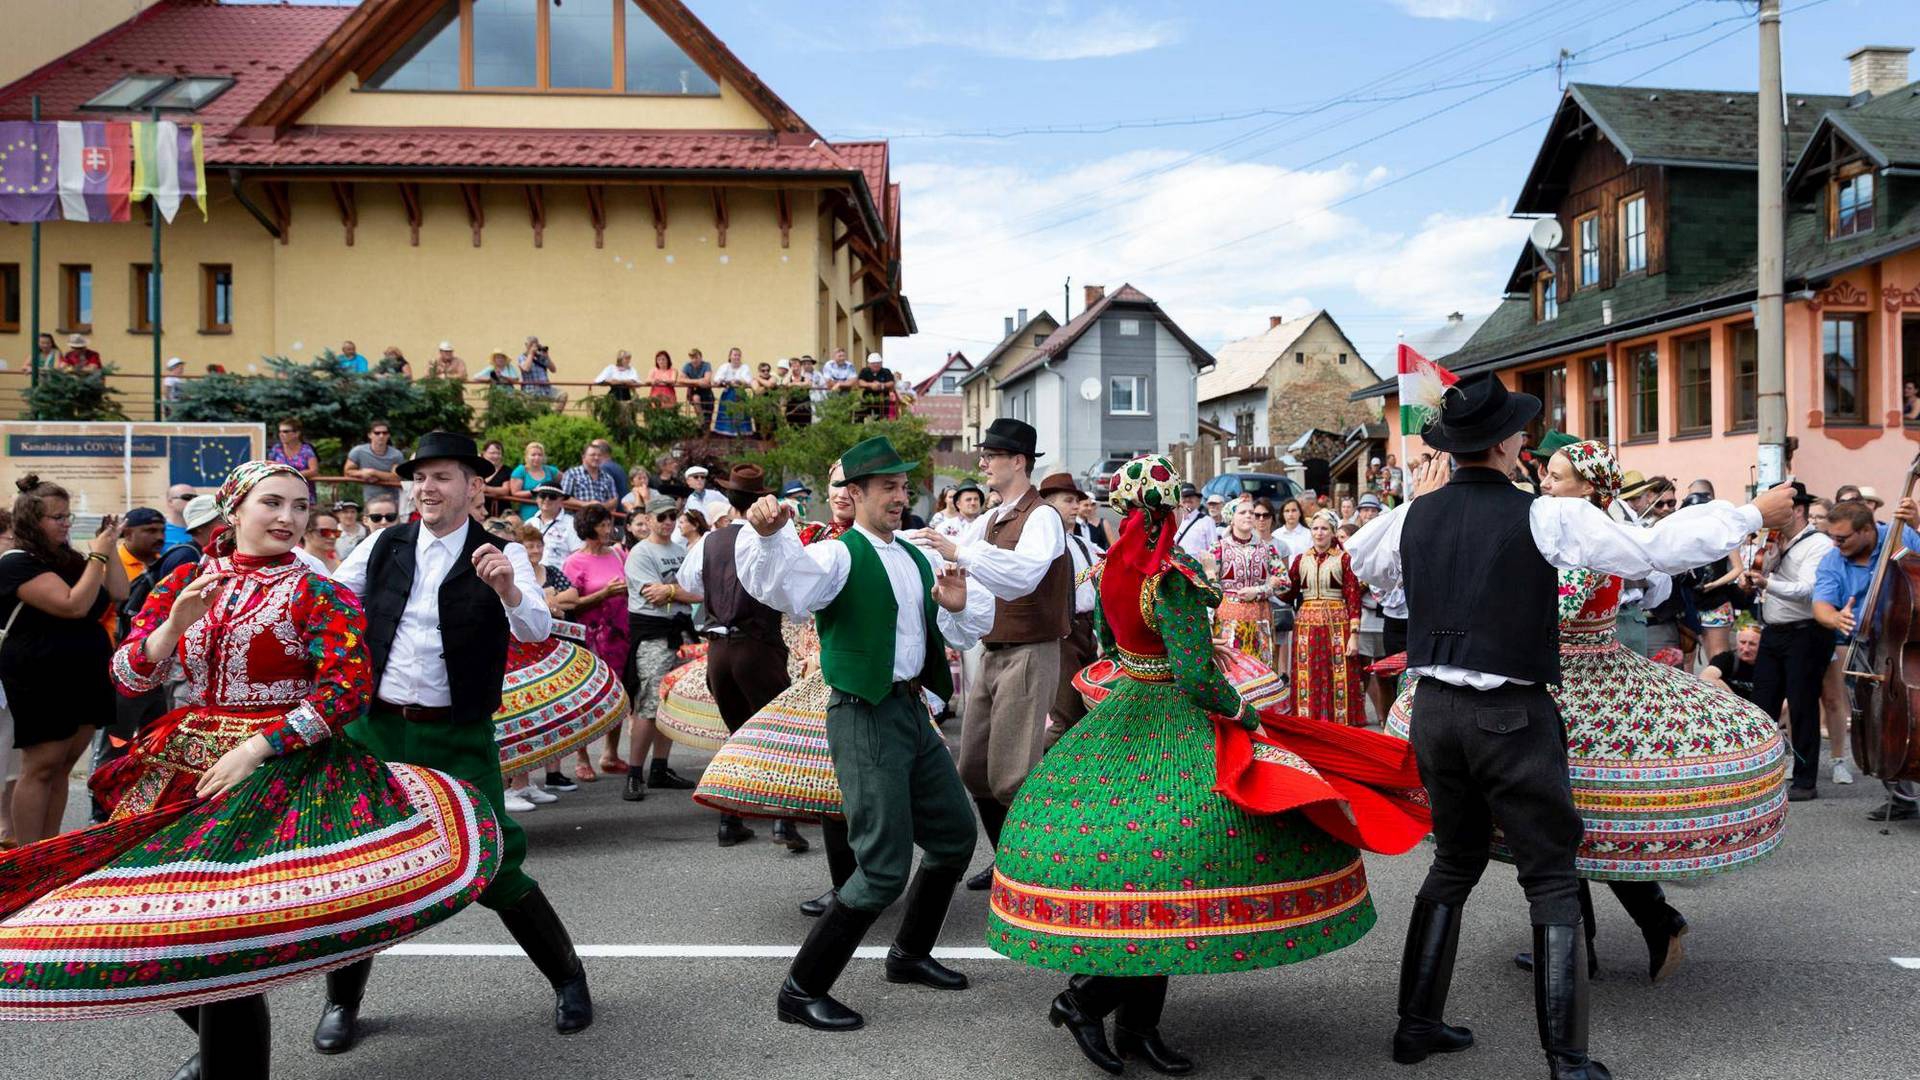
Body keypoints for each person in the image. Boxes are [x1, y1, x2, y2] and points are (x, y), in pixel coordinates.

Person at [1346, 374, 1793, 1080]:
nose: (1527, 440)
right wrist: (1750, 513)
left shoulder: (1412, 515)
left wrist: (1417, 505)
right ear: (1499, 444)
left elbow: (1364, 564)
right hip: (1508, 713)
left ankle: (1416, 1028)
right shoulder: (1543, 515)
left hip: (1431, 709)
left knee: (1454, 862)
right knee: (1552, 877)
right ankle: (1567, 1059)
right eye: (1520, 431)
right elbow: (1650, 550)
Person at [0, 461, 498, 1078]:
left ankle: (230, 1058)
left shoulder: (318, 590)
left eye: (298, 506)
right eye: (272, 504)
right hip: (183, 758)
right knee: (155, 932)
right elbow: (128, 676)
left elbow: (346, 691)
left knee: (222, 945)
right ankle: (217, 1052)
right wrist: (172, 629)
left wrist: (258, 747)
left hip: (280, 768)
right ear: (234, 509)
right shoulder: (183, 578)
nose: (287, 518)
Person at [986, 452, 1429, 1076]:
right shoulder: (1171, 573)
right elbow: (1196, 676)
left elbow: (1117, 646)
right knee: (1188, 863)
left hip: (1123, 711)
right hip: (1175, 718)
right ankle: (1084, 1001)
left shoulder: (1114, 566)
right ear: (1170, 510)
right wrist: (1244, 714)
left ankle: (1138, 1028)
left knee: (1152, 874)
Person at [1389, 440, 1787, 988]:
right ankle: (1594, 940)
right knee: (1567, 823)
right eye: (1546, 475)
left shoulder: (1591, 541)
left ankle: (1644, 922)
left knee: (1581, 820)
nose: (1546, 485)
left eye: (1556, 477)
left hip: (1588, 685)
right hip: (1556, 680)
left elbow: (1573, 595)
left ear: (1590, 488)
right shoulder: (1567, 526)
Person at [320, 431, 593, 1052]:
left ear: (474, 487)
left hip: (458, 731)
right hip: (379, 727)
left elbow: (536, 627)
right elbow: (332, 599)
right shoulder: (384, 543)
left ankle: (568, 978)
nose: (426, 488)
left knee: (495, 859)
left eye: (441, 477)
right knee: (358, 862)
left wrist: (507, 589)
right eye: (420, 478)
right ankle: (343, 1001)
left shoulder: (501, 552)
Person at [737, 435, 992, 1031]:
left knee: (954, 836)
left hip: (910, 710)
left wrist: (953, 606)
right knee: (880, 866)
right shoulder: (836, 556)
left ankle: (907, 956)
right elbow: (784, 589)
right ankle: (801, 991)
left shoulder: (914, 554)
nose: (901, 496)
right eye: (888, 487)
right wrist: (770, 534)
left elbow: (962, 630)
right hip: (863, 712)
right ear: (854, 494)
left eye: (904, 486)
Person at [912, 419, 1067, 893]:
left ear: (1017, 461)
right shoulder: (993, 518)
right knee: (974, 769)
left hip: (1030, 650)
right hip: (996, 651)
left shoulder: (1042, 517)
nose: (981, 463)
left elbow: (1024, 576)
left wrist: (961, 551)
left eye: (990, 455)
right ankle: (1008, 862)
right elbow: (963, 568)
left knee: (1013, 776)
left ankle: (1037, 872)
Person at [678, 464, 809, 849]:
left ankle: (729, 820)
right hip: (758, 644)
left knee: (736, 735)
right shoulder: (772, 537)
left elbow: (688, 583)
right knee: (778, 734)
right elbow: (792, 586)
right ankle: (784, 822)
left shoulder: (709, 541)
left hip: (719, 649)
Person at [0, 477, 124, 845]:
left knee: (62, 766)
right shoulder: (16, 563)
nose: (66, 523)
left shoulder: (70, 559)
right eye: (57, 517)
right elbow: (73, 605)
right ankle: (28, 854)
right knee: (41, 767)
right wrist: (98, 556)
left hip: (83, 672)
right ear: (30, 521)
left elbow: (118, 592)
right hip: (41, 674)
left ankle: (50, 847)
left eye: (68, 515)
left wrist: (110, 546)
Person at [1814, 496, 1920, 817]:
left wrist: (1915, 524)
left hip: (1909, 636)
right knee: (1876, 718)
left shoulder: (1901, 536)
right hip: (1865, 644)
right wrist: (1834, 619)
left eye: (1842, 538)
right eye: (1833, 537)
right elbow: (1821, 604)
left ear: (1867, 530)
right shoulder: (1833, 560)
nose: (1836, 544)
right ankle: (1900, 794)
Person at [621, 495, 699, 801]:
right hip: (653, 635)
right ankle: (634, 772)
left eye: (672, 517)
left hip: (681, 632)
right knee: (649, 704)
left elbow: (698, 591)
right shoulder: (640, 553)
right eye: (662, 517)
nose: (668, 522)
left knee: (673, 703)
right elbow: (654, 595)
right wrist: (682, 593)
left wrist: (674, 592)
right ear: (649, 519)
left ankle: (660, 767)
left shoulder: (681, 551)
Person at [563, 504, 631, 782]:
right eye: (603, 525)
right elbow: (569, 603)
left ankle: (610, 754)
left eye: (609, 524)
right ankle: (581, 757)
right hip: (591, 635)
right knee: (586, 697)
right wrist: (604, 593)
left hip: (620, 634)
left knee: (619, 694)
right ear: (589, 528)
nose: (608, 530)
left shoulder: (618, 553)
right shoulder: (574, 562)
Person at [1281, 509, 1364, 726]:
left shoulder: (1344, 559)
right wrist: (1277, 583)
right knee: (1308, 673)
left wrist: (1354, 634)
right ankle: (1308, 722)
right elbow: (1290, 593)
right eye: (1315, 528)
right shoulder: (1301, 559)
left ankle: (1339, 723)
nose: (1319, 533)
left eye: (1324, 529)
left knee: (1338, 673)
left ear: (1333, 531)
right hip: (1306, 626)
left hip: (1337, 625)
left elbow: (1353, 597)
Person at [1038, 473, 1099, 747]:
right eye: (1069, 500)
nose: (1076, 506)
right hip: (1061, 633)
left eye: (1077, 501)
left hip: (1086, 631)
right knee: (1066, 715)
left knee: (1087, 712)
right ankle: (1035, 776)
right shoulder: (1042, 543)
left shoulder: (1082, 543)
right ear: (1049, 505)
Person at [1210, 495, 1283, 664]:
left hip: (1260, 621)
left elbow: (1284, 581)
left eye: (1252, 512)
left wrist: (1258, 591)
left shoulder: (1266, 548)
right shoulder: (1219, 548)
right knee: (1231, 671)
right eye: (1243, 512)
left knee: (1260, 670)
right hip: (1228, 622)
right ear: (1231, 519)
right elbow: (1208, 587)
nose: (1249, 516)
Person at [345, 420, 406, 510]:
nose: (381, 436)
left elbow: (396, 477)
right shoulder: (358, 451)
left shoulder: (396, 454)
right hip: (369, 499)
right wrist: (362, 474)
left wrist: (373, 473)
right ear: (370, 435)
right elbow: (347, 471)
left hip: (392, 500)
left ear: (388, 435)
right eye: (377, 433)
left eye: (384, 433)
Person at [1703, 623, 1762, 703]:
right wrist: (1736, 701)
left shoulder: (1769, 664)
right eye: (1742, 642)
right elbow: (1706, 677)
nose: (1746, 649)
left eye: (1752, 644)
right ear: (1737, 643)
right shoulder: (1727, 658)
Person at [529, 483, 580, 570]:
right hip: (531, 574)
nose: (547, 499)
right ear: (537, 498)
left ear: (561, 501)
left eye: (552, 496)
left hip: (559, 577)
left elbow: (577, 555)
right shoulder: (529, 523)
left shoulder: (572, 524)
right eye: (543, 495)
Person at [509, 441, 562, 521]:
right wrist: (533, 491)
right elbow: (515, 492)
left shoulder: (550, 470)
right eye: (533, 455)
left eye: (540, 455)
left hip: (550, 510)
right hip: (528, 510)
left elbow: (566, 481)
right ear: (527, 456)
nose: (537, 458)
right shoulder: (521, 471)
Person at [711, 347, 755, 436]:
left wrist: (738, 381)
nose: (737, 357)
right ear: (730, 356)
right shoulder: (725, 366)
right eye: (735, 355)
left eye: (739, 355)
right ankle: (726, 435)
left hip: (740, 394)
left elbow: (747, 380)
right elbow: (717, 379)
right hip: (728, 393)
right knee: (727, 414)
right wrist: (724, 381)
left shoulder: (744, 367)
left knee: (740, 415)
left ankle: (739, 434)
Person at [1172, 483, 1217, 561]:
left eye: (1191, 496)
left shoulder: (1207, 521)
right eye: (1184, 496)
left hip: (1198, 569)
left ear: (1197, 500)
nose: (1187, 499)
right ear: (1179, 500)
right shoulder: (1173, 520)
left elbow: (1214, 548)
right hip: (1176, 568)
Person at [268, 417, 320, 482]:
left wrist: (293, 475)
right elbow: (268, 468)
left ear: (297, 433)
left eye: (285, 432)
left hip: (303, 489)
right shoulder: (276, 449)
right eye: (279, 431)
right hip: (280, 488)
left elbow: (314, 471)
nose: (281, 434)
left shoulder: (306, 449)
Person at [519, 336, 561, 403]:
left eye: (536, 345)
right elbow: (526, 368)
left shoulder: (540, 357)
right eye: (531, 345)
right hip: (531, 390)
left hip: (546, 389)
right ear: (526, 345)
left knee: (563, 396)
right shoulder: (522, 357)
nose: (534, 347)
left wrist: (547, 356)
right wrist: (531, 354)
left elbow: (553, 370)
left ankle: (554, 413)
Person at [855, 353, 897, 419]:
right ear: (869, 364)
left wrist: (881, 385)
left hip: (883, 397)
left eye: (878, 363)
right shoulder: (864, 371)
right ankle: (859, 427)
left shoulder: (886, 371)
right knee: (859, 414)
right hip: (867, 397)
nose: (876, 365)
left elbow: (891, 382)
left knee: (883, 418)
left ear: (881, 363)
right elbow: (860, 382)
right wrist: (871, 384)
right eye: (873, 363)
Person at [682, 348, 716, 425]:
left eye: (696, 357)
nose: (694, 360)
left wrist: (689, 380)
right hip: (694, 390)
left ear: (701, 357)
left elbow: (706, 380)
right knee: (695, 398)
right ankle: (702, 424)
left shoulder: (706, 365)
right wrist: (697, 381)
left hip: (706, 391)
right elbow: (680, 379)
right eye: (692, 358)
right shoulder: (687, 366)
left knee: (709, 411)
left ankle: (706, 427)